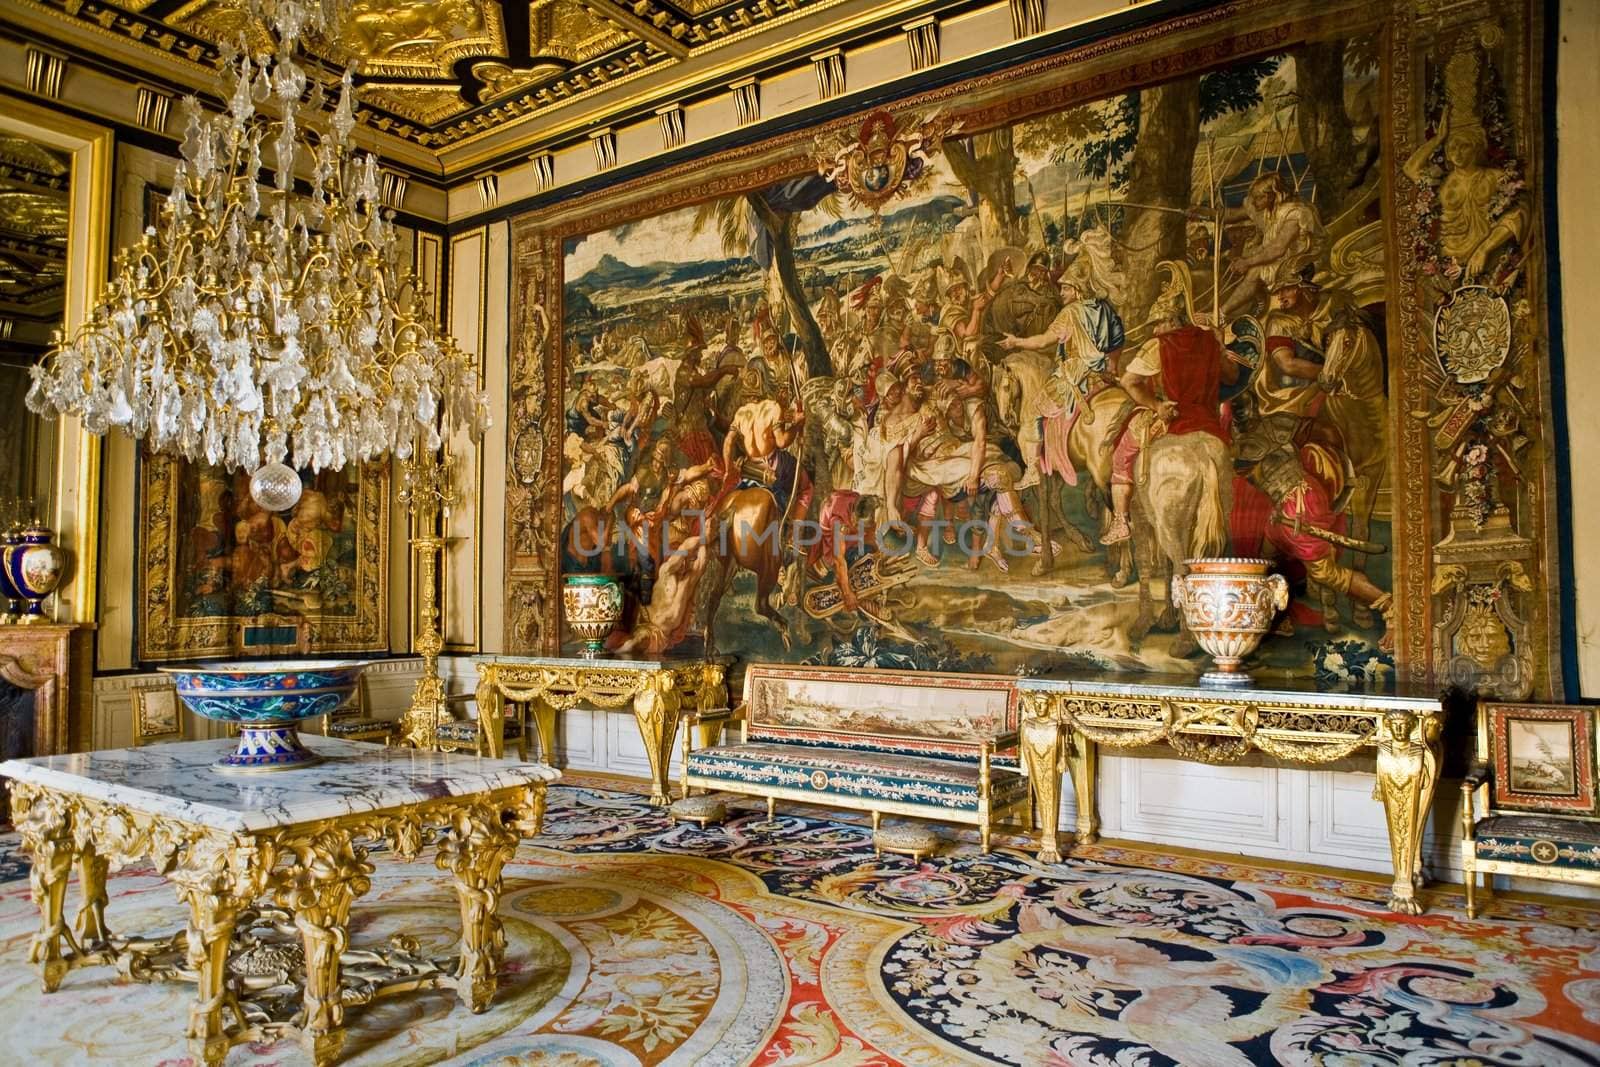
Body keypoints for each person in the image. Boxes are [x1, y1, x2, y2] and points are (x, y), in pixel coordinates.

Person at [1103, 284, 1236, 546]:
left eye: (1159, 322)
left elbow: (1129, 382)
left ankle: (1120, 521)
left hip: (1172, 418)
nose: (1155, 330)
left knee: (1120, 455)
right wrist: (1219, 345)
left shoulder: (1158, 345)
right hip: (1209, 422)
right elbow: (1231, 376)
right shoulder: (1209, 341)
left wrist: (1156, 406)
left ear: (1173, 320)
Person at [1220, 171, 1327, 319]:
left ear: (1272, 195)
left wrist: (1247, 262)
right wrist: (1203, 212)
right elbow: (1230, 215)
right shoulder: (1264, 209)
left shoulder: (1294, 213)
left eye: (1259, 198)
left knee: (1256, 269)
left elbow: (1278, 248)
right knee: (1240, 259)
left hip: (1301, 256)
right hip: (1279, 253)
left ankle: (1222, 312)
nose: (1254, 202)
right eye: (1254, 197)